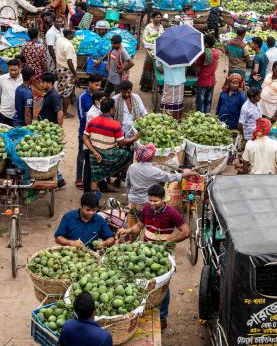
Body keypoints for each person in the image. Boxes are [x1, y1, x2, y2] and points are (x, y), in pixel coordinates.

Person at [116, 184, 190, 329]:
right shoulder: (146, 209)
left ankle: (162, 318)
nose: (152, 203)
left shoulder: (172, 213)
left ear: (163, 199)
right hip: (145, 251)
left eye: (155, 201)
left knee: (162, 287)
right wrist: (128, 230)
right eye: (150, 200)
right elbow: (139, 226)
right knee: (144, 282)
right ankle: (144, 311)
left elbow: (186, 231)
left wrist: (169, 241)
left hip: (162, 254)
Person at [126, 143, 195, 217]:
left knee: (132, 220)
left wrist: (129, 198)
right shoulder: (154, 171)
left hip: (133, 200)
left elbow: (128, 184)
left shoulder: (132, 167)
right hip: (146, 202)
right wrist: (186, 174)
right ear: (151, 157)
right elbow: (170, 177)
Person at [83, 98, 136, 193]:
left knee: (95, 177)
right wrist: (134, 138)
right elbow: (121, 143)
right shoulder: (115, 125)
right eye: (114, 108)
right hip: (109, 155)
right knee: (128, 156)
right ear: (111, 109)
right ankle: (120, 178)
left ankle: (94, 199)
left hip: (95, 155)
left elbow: (85, 137)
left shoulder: (92, 121)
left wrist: (94, 151)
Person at [76, 81, 102, 189]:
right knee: (83, 155)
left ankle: (95, 183)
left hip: (95, 136)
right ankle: (79, 178)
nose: (98, 87)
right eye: (96, 84)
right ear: (89, 83)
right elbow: (82, 116)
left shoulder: (99, 102)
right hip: (84, 131)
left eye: (99, 85)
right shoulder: (82, 97)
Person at [0, 58, 22, 126]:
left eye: (15, 70)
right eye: (10, 70)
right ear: (8, 68)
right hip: (4, 114)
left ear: (19, 69)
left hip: (19, 115)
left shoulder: (24, 80)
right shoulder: (1, 79)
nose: (13, 72)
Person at [195, 34, 219, 114]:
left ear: (206, 44)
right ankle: (207, 117)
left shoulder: (202, 54)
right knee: (208, 102)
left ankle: (200, 119)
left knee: (200, 103)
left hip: (202, 81)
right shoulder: (217, 53)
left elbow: (198, 66)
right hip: (211, 81)